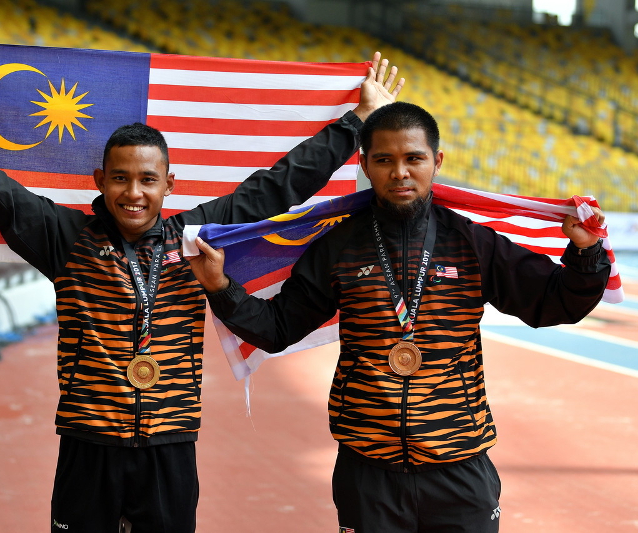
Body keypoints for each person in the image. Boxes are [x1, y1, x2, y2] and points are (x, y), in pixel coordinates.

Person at [0, 34, 406, 532]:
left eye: (148, 179)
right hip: (87, 445)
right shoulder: (64, 237)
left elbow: (278, 187)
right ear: (100, 180)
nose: (133, 192)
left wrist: (355, 122)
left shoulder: (195, 238)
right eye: (120, 178)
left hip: (170, 448)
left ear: (170, 184)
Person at [188, 101, 611, 533]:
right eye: (384, 160)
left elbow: (555, 303)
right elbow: (278, 329)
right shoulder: (338, 246)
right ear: (366, 166)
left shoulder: (471, 243)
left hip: (459, 467)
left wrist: (585, 253)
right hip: (368, 470)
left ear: (436, 161)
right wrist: (221, 288)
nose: (400, 172)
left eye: (414, 158)